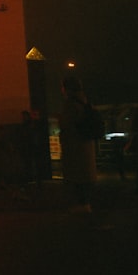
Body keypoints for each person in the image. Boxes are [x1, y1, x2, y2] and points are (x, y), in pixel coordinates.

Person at [58, 75, 98, 213]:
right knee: (84, 174)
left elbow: (67, 125)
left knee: (77, 175)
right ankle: (85, 204)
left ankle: (82, 205)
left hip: (74, 145)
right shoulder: (85, 102)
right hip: (86, 144)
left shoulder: (70, 105)